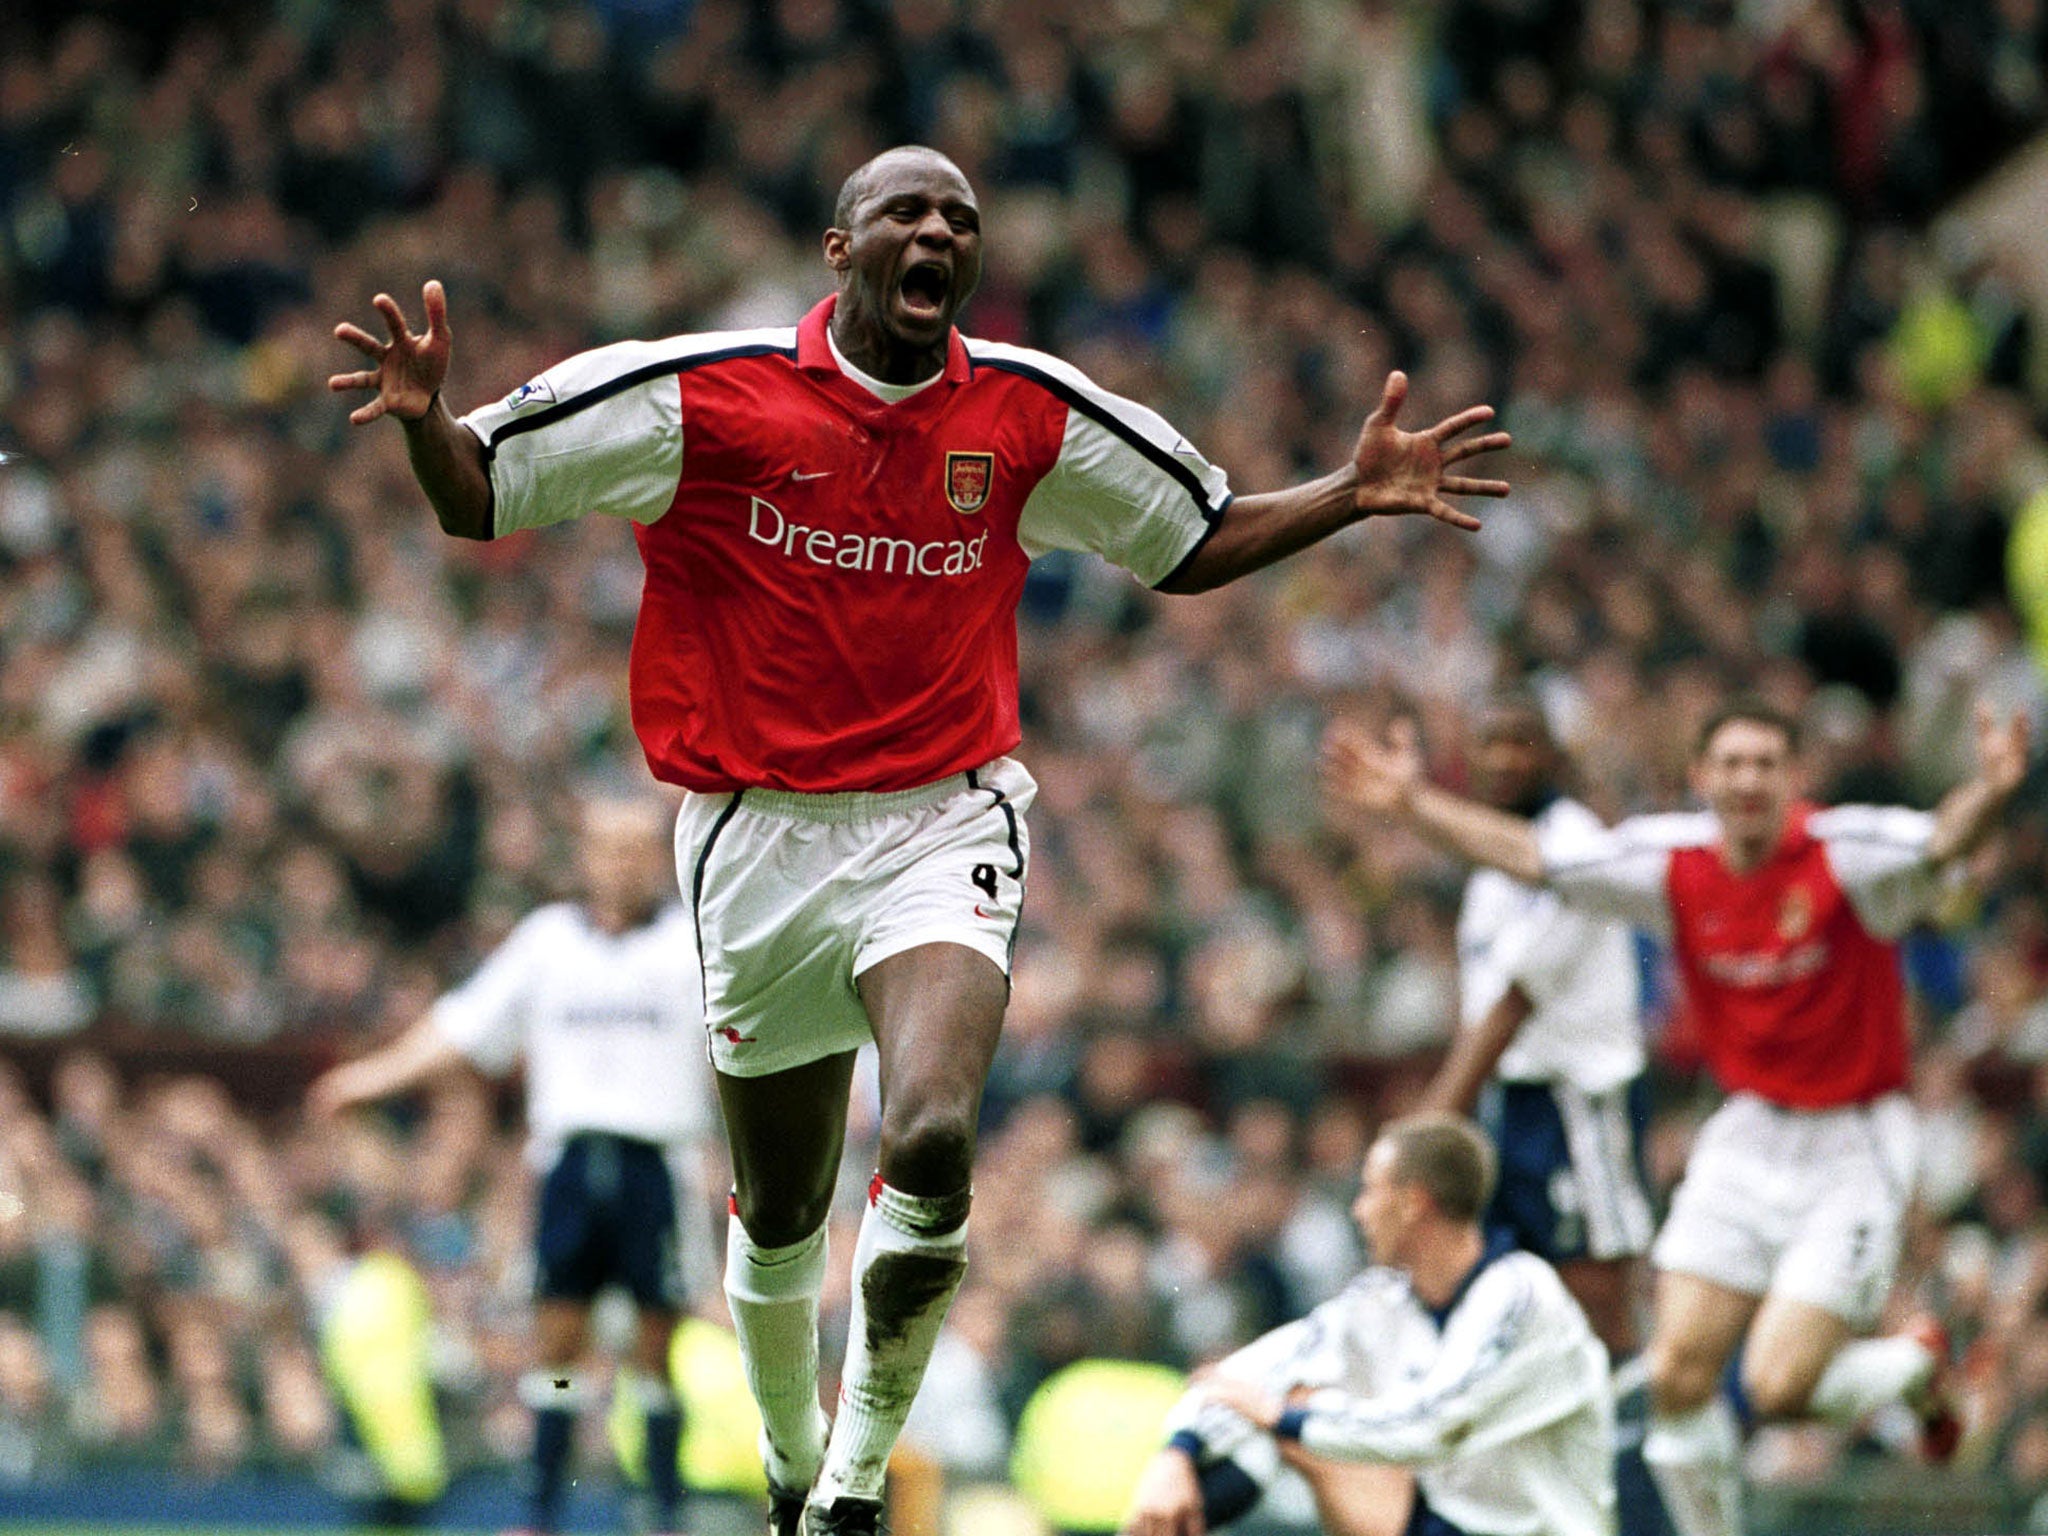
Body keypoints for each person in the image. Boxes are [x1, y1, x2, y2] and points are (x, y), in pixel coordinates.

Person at [330, 144, 1511, 1536]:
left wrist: (1348, 495)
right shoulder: (706, 394)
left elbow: (1186, 540)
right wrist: (422, 420)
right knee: (778, 1209)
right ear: (843, 251)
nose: (939, 227)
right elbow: (480, 494)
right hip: (755, 840)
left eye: (959, 213)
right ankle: (787, 1447)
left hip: (943, 817)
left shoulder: (1026, 414)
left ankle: (856, 1482)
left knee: (935, 1131)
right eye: (908, 209)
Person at [1324, 696, 2032, 1536]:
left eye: (1766, 764)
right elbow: (1530, 855)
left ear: (1793, 779)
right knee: (1676, 1382)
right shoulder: (1673, 864)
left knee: (1776, 1388)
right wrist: (1411, 803)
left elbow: (1942, 839)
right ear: (1700, 779)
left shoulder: (1843, 854)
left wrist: (1990, 792)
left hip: (1854, 1139)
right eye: (1729, 764)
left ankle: (1916, 1365)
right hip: (1746, 1131)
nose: (1747, 780)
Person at [309, 795, 713, 1536]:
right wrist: (370, 1077)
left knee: (656, 1351)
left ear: (659, 856)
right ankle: (542, 1512)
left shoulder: (692, 947)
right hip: (567, 1164)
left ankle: (661, 1512)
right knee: (558, 1346)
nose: (621, 862)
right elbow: (463, 1025)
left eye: (635, 847)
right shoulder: (547, 943)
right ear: (584, 857)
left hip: (658, 1167)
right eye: (605, 846)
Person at [1413, 692, 1661, 1536]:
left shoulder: (1572, 849)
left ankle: (1640, 1492)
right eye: (1492, 739)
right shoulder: (1493, 865)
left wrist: (1431, 1126)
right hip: (1514, 1104)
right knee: (1523, 1302)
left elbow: (1517, 1001)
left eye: (1525, 740)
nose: (1507, 757)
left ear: (1557, 753)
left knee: (1599, 1303)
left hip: (1574, 1105)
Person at [1122, 1113, 1615, 1536]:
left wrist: (1279, 1415)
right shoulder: (1385, 1299)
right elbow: (1257, 1370)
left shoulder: (1523, 1295)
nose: (1358, 1211)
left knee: (1287, 1416)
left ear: (1413, 1201)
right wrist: (1177, 1454)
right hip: (1436, 1525)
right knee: (1277, 1411)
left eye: (1370, 1190)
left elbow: (1428, 1426)